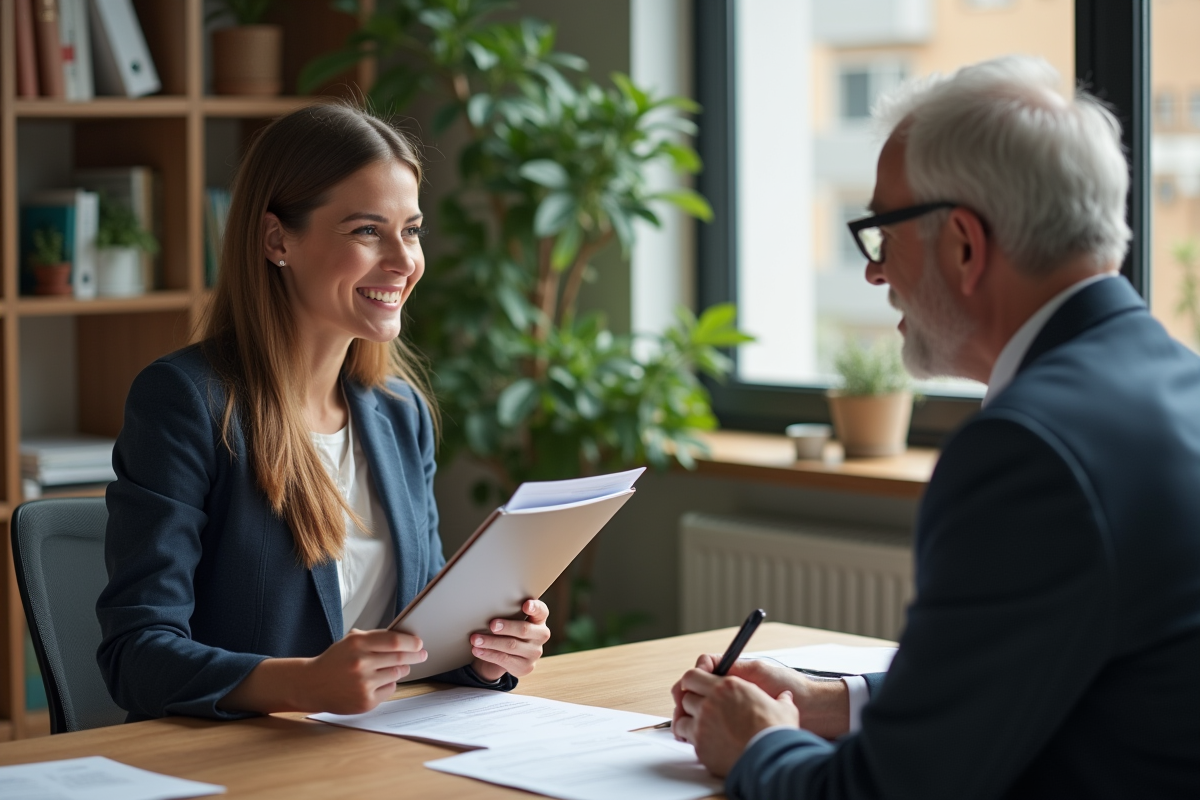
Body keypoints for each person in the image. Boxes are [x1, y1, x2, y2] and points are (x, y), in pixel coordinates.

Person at [671, 55, 1200, 798]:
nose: (874, 273)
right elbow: (1058, 681)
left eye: (882, 232)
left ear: (963, 244)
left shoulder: (1029, 450)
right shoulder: (1176, 388)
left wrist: (759, 745)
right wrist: (834, 703)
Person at [96, 102, 550, 722]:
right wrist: (304, 684)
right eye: (368, 231)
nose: (403, 261)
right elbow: (137, 657)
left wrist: (482, 655)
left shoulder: (400, 414)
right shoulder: (186, 401)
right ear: (277, 238)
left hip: (377, 753)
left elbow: (415, 636)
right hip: (245, 765)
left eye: (411, 230)